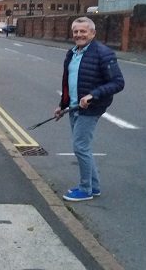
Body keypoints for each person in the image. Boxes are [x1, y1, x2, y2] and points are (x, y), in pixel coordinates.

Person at [55, 16, 125, 202]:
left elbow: (118, 83)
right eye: (76, 32)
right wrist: (62, 105)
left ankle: (85, 189)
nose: (79, 35)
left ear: (92, 33)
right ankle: (94, 187)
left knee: (80, 147)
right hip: (74, 106)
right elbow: (67, 83)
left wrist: (93, 95)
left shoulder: (104, 53)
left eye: (83, 31)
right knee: (83, 147)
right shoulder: (72, 53)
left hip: (91, 107)